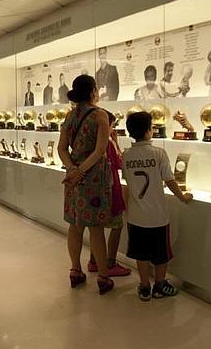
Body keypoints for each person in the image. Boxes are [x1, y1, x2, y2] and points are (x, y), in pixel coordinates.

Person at [122, 111, 193, 301]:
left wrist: (126, 209)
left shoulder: (126, 155)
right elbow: (170, 181)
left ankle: (144, 286)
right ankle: (160, 284)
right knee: (160, 253)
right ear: (148, 131)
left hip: (136, 217)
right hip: (157, 216)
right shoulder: (158, 153)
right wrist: (182, 197)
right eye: (152, 126)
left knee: (141, 254)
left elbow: (128, 184)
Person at [58, 74, 114, 295]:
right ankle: (103, 276)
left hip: (73, 179)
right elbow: (100, 150)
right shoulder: (100, 115)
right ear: (92, 91)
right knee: (96, 227)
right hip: (93, 178)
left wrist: (72, 169)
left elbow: (62, 148)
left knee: (75, 224)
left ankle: (75, 271)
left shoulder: (70, 116)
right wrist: (81, 171)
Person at [87, 112, 131, 277]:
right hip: (111, 189)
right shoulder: (108, 142)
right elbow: (120, 163)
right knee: (117, 225)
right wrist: (117, 144)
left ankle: (94, 261)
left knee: (96, 227)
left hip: (95, 189)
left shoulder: (92, 142)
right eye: (112, 125)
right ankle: (110, 262)